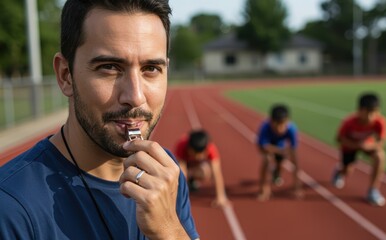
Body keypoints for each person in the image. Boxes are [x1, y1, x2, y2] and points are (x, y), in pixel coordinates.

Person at [0, 0, 200, 239]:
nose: (135, 97)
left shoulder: (165, 173)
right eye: (109, 67)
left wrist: (169, 231)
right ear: (65, 76)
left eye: (151, 69)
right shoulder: (10, 207)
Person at [332, 92, 386, 207]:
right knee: (347, 170)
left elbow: (381, 142)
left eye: (373, 112)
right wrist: (355, 145)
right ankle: (339, 171)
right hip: (349, 146)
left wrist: (368, 146)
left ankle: (373, 190)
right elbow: (339, 139)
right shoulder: (349, 122)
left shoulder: (380, 122)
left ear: (378, 111)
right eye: (366, 112)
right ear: (359, 110)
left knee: (380, 156)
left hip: (367, 145)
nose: (370, 116)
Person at [256, 104, 302, 201]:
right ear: (271, 121)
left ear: (287, 121)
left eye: (283, 125)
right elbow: (262, 147)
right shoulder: (265, 127)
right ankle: (263, 189)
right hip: (268, 146)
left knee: (281, 162)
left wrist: (297, 187)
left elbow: (295, 160)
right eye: (277, 125)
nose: (280, 129)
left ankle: (277, 173)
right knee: (267, 161)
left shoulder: (292, 129)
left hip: (281, 146)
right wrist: (278, 151)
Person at [175, 129, 231, 208]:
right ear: (189, 148)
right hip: (184, 164)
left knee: (206, 172)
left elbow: (216, 173)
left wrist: (220, 197)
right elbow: (182, 171)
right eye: (195, 154)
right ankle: (187, 185)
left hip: (196, 167)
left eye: (200, 155)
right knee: (179, 174)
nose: (197, 157)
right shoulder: (182, 145)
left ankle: (192, 180)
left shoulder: (211, 148)